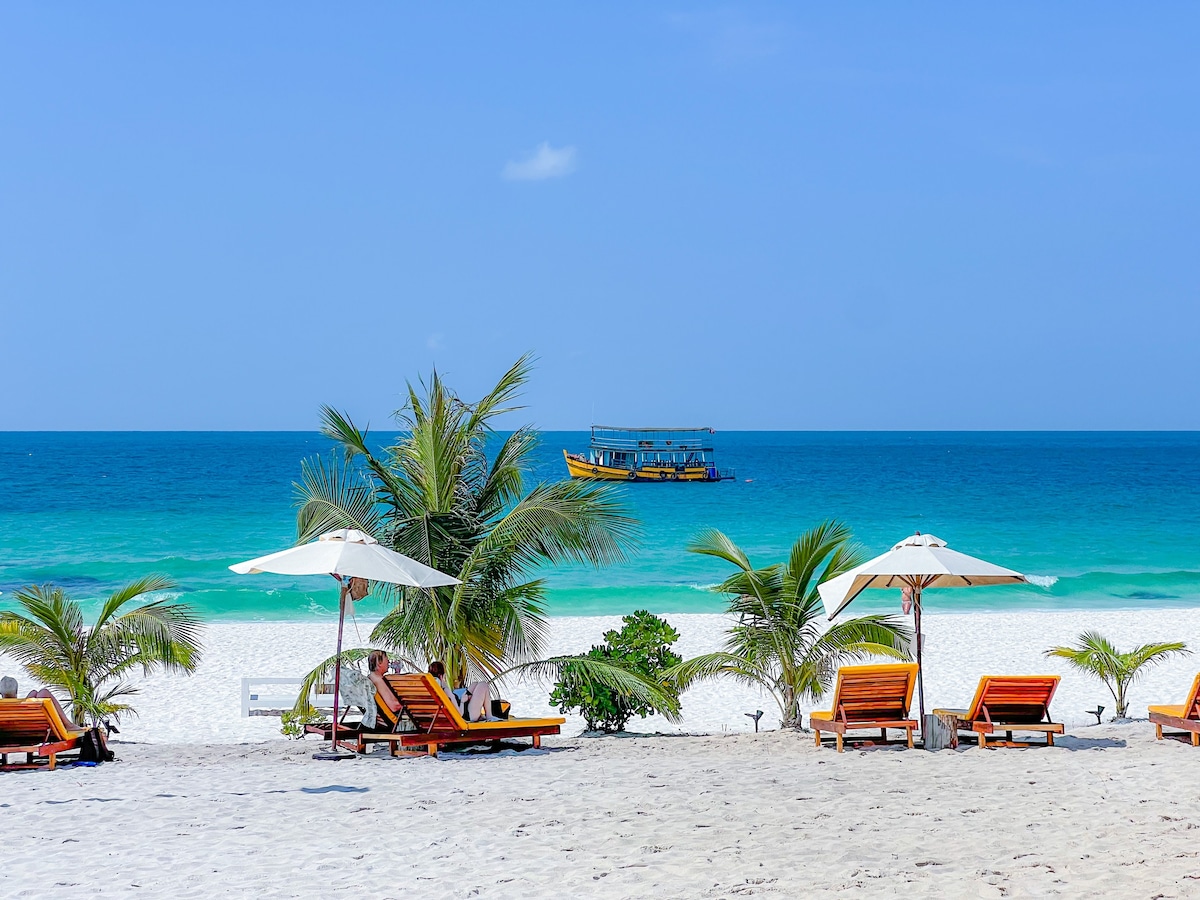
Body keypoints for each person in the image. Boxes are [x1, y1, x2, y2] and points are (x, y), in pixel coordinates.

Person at [428, 660, 495, 722]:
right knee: (483, 685)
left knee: (474, 684)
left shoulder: (430, 690)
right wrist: (462, 701)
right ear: (441, 676)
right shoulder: (446, 691)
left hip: (459, 712)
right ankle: (489, 716)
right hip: (466, 716)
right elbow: (459, 714)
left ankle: (480, 715)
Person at [366, 650, 404, 725]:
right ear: (379, 663)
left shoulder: (370, 678)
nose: (388, 662)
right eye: (386, 660)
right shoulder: (378, 681)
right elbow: (394, 706)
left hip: (379, 720)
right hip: (396, 723)